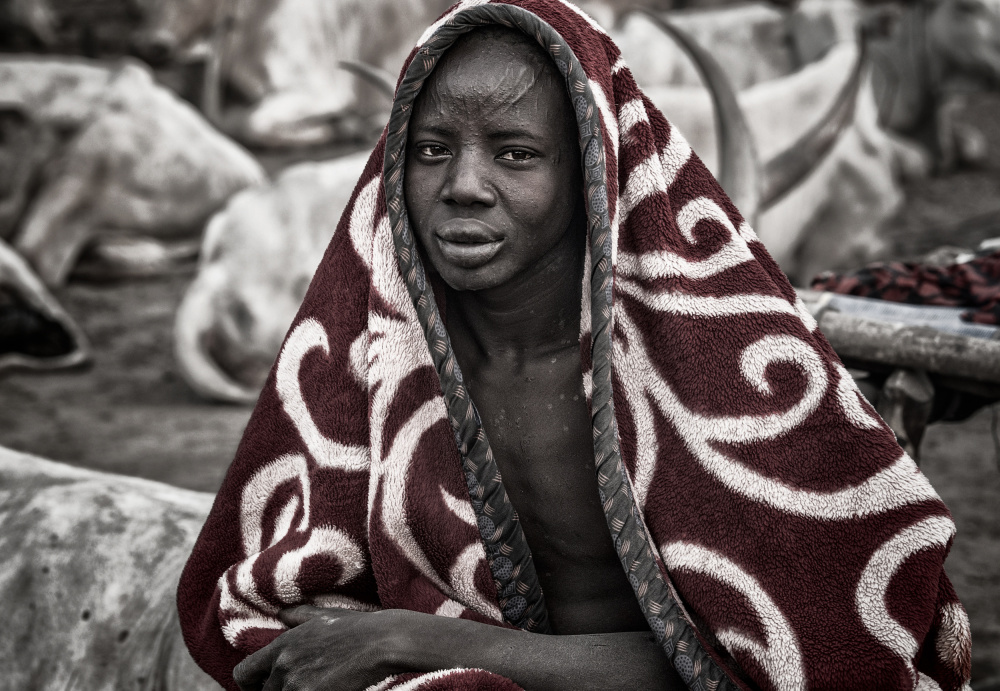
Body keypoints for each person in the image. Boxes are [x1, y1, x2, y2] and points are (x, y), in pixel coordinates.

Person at [177, 2, 972, 690]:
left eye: (516, 153)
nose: (463, 184)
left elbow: (794, 654)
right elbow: (273, 579)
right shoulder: (379, 363)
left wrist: (415, 637)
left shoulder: (710, 363)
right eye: (429, 150)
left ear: (594, 173)